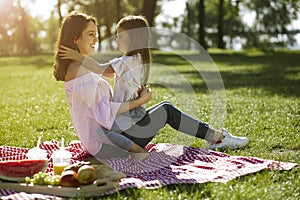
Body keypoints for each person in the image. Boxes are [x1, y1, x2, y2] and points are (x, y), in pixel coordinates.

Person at [54, 11, 249, 160]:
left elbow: (102, 84)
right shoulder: (78, 70)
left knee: (166, 109)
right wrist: (141, 101)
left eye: (96, 34)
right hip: (110, 143)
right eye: (91, 34)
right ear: (75, 39)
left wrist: (138, 98)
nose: (97, 39)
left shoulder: (90, 67)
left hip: (113, 134)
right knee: (166, 110)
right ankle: (217, 137)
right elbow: (104, 112)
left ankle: (215, 136)